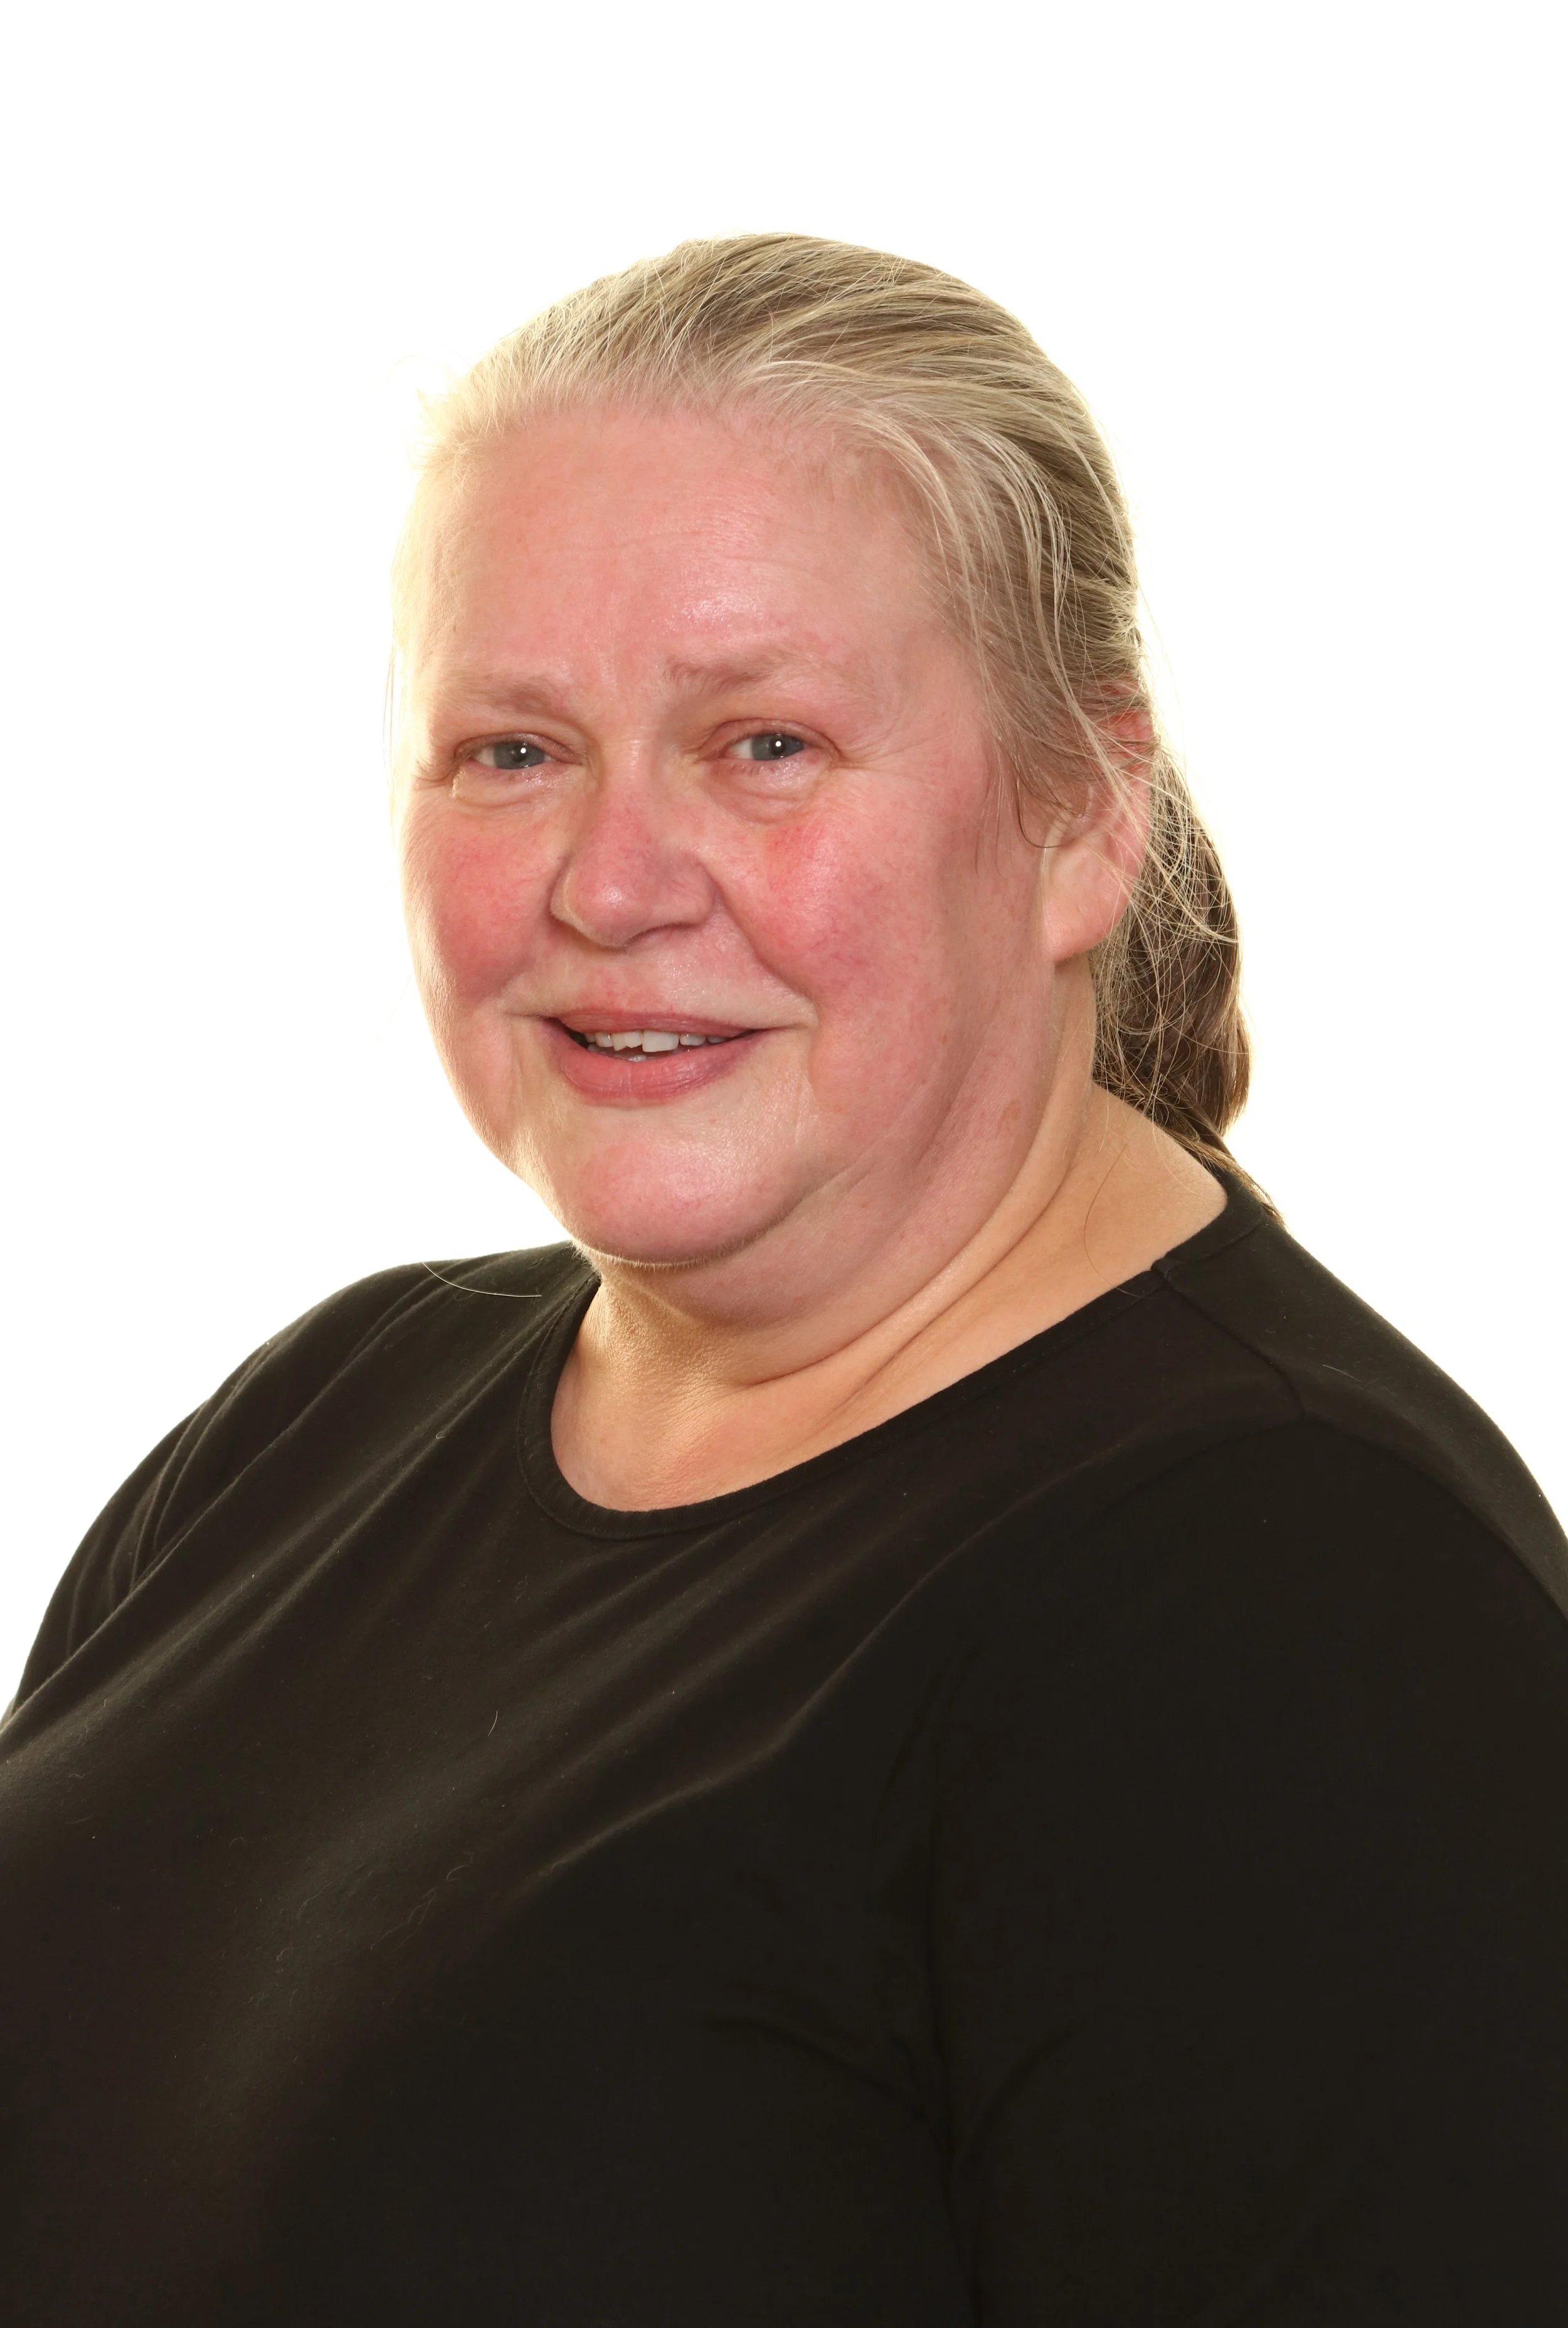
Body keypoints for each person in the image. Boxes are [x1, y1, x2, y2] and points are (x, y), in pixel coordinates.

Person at [2, 235, 1564, 2327]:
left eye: (763, 744)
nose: (611, 882)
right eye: (511, 751)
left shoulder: (1296, 1604)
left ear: (1083, 812)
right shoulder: (319, 1421)